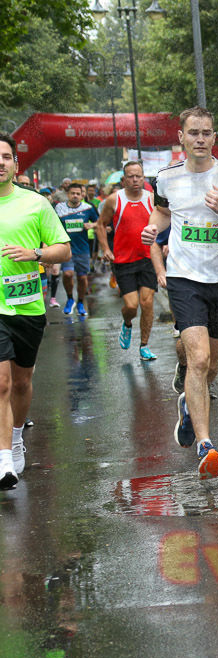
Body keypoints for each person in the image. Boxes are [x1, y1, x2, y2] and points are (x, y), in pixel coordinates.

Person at [141, 106, 218, 480]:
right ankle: (206, 444)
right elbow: (163, 213)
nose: (200, 139)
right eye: (193, 132)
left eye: (207, 133)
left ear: (214, 136)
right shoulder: (166, 177)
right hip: (183, 277)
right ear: (181, 137)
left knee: (211, 366)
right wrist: (151, 228)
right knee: (199, 357)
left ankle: (189, 407)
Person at [0, 133, 72, 489]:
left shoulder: (35, 204)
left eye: (5, 156)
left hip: (27, 305)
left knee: (21, 382)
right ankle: (2, 462)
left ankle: (15, 438)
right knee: (1, 382)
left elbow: (63, 249)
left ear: (15, 163)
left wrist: (36, 254)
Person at [97, 161, 158, 361]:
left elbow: (164, 223)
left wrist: (164, 244)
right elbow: (100, 225)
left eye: (138, 176)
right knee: (131, 306)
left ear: (143, 178)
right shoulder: (114, 200)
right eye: (130, 176)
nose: (135, 180)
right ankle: (127, 324)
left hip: (148, 258)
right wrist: (106, 249)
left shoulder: (151, 199)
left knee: (147, 302)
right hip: (123, 261)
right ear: (124, 180)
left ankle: (144, 345)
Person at [54, 182, 99, 316]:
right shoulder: (59, 208)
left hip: (83, 249)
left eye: (78, 194)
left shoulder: (88, 208)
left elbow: (100, 222)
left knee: (82, 278)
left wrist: (92, 226)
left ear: (82, 195)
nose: (75, 196)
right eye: (72, 193)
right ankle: (69, 299)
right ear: (67, 194)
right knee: (67, 274)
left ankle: (80, 302)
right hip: (66, 248)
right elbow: (51, 224)